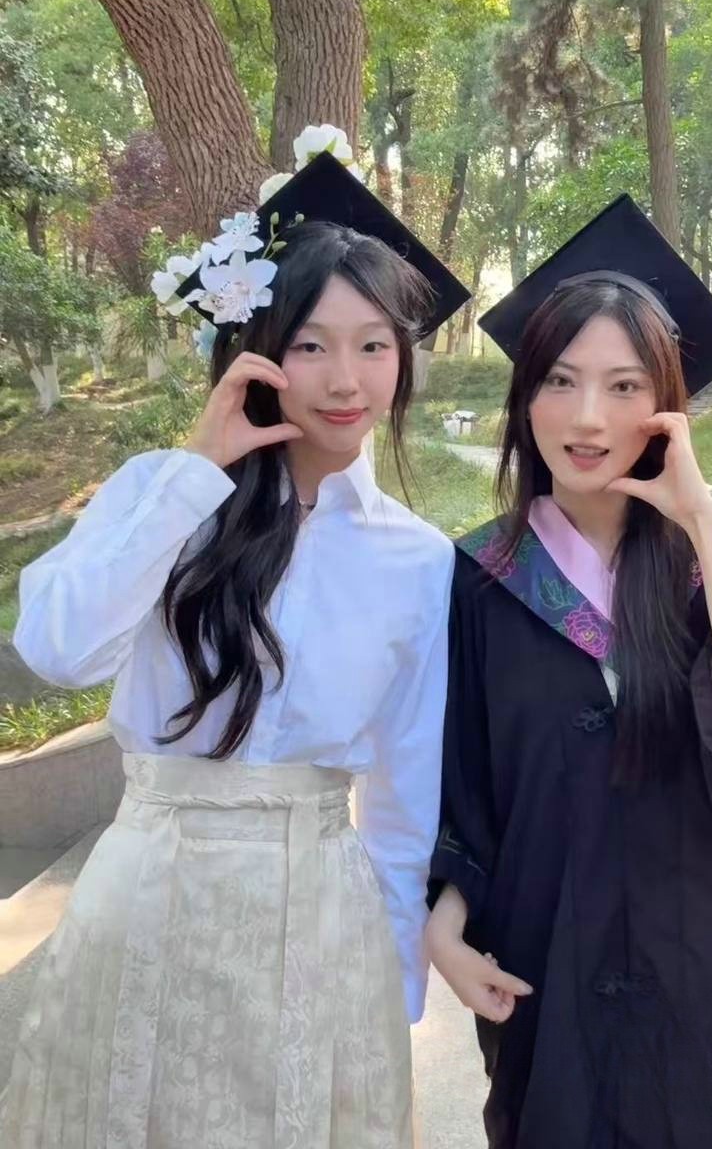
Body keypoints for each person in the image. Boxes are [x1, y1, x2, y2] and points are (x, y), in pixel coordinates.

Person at [1, 134, 472, 1149]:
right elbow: (59, 649)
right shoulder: (157, 494)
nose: (344, 378)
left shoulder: (416, 557)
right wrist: (194, 474)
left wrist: (394, 977)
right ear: (256, 350)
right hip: (151, 892)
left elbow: (405, 788)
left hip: (323, 912)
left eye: (373, 345)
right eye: (309, 345)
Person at [425, 196, 712, 1149]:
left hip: (706, 948)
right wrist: (443, 924)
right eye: (559, 380)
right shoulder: (481, 577)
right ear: (523, 398)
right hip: (545, 949)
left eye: (624, 386)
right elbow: (465, 784)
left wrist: (700, 519)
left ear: (667, 405)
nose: (587, 418)